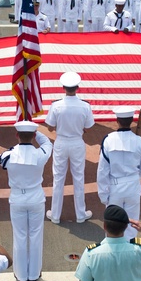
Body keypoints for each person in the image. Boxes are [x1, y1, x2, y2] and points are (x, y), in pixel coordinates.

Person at [0, 121, 52, 281]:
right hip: (36, 197)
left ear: (17, 135)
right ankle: (34, 274)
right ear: (34, 136)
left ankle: (21, 275)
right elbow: (48, 142)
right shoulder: (41, 153)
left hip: (17, 199)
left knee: (20, 236)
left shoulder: (7, 155)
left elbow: (1, 161)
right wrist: (37, 132)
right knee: (35, 236)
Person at [46, 71, 95, 224]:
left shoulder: (56, 105)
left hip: (61, 142)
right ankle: (81, 215)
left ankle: (55, 215)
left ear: (63, 88)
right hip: (77, 142)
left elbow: (49, 127)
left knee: (58, 179)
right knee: (78, 178)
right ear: (77, 87)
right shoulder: (85, 106)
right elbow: (89, 126)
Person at [97, 107, 141, 239]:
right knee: (132, 226)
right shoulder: (140, 141)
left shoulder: (108, 140)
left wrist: (103, 195)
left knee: (112, 226)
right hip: (133, 186)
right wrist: (134, 179)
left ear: (117, 121)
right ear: (132, 121)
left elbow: (102, 171)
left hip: (115, 188)